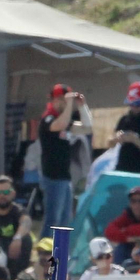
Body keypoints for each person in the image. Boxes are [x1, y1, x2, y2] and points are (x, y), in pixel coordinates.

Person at [36, 83, 89, 230]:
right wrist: (69, 104)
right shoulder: (48, 119)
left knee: (66, 220)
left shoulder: (66, 120)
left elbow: (88, 127)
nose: (64, 102)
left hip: (65, 177)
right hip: (52, 177)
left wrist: (82, 106)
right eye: (60, 99)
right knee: (53, 219)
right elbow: (60, 125)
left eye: (65, 99)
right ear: (53, 100)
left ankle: (61, 251)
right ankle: (45, 251)